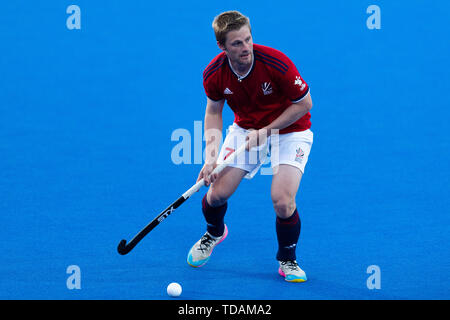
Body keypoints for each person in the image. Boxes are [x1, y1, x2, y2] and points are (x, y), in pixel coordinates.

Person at [186, 10, 313, 282]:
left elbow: (304, 104)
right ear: (222, 46)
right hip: (246, 130)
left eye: (248, 39)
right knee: (216, 194)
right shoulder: (214, 74)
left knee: (282, 200)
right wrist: (209, 158)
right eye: (237, 43)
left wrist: (267, 131)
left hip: (290, 130)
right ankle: (214, 233)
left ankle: (287, 260)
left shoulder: (276, 63)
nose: (246, 48)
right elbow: (213, 112)